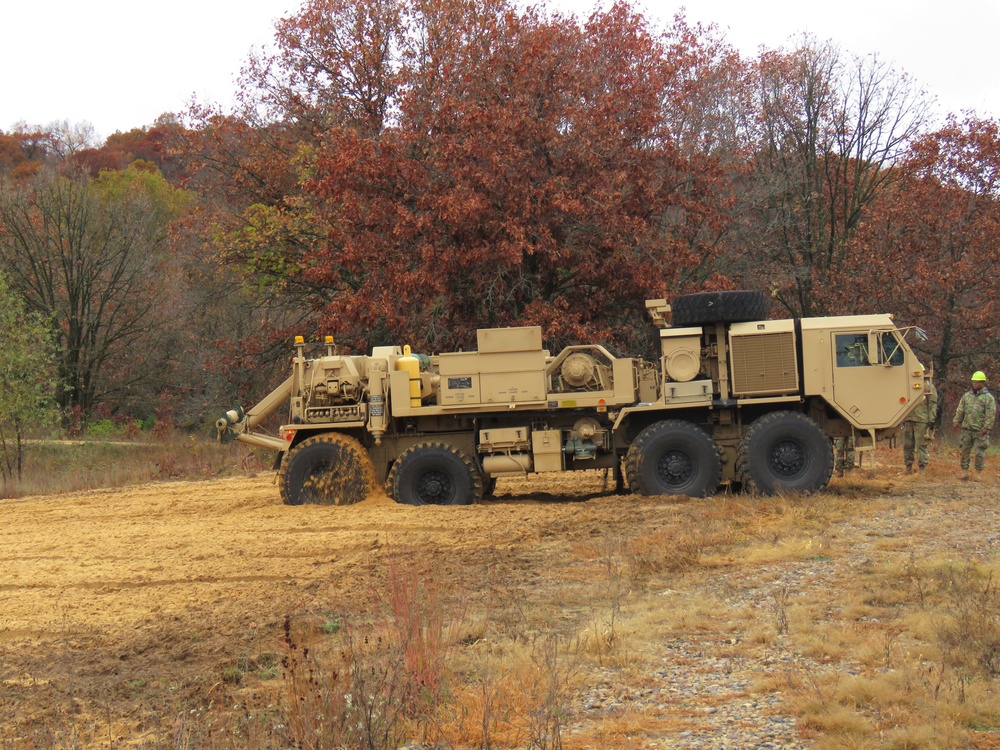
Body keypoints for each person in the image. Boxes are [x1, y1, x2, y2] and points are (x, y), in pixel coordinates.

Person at [953, 371, 997, 481]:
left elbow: (990, 414)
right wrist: (957, 421)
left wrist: (986, 428)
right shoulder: (967, 396)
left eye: (977, 382)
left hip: (980, 430)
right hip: (966, 429)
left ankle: (978, 474)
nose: (974, 384)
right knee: (964, 451)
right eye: (973, 382)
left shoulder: (988, 398)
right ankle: (964, 472)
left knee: (979, 452)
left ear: (982, 383)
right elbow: (960, 409)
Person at [903, 366, 938, 473]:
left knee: (921, 446)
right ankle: (908, 468)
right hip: (909, 420)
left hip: (922, 421)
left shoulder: (928, 387)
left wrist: (931, 421)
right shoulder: (907, 386)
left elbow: (932, 404)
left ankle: (922, 469)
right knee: (907, 445)